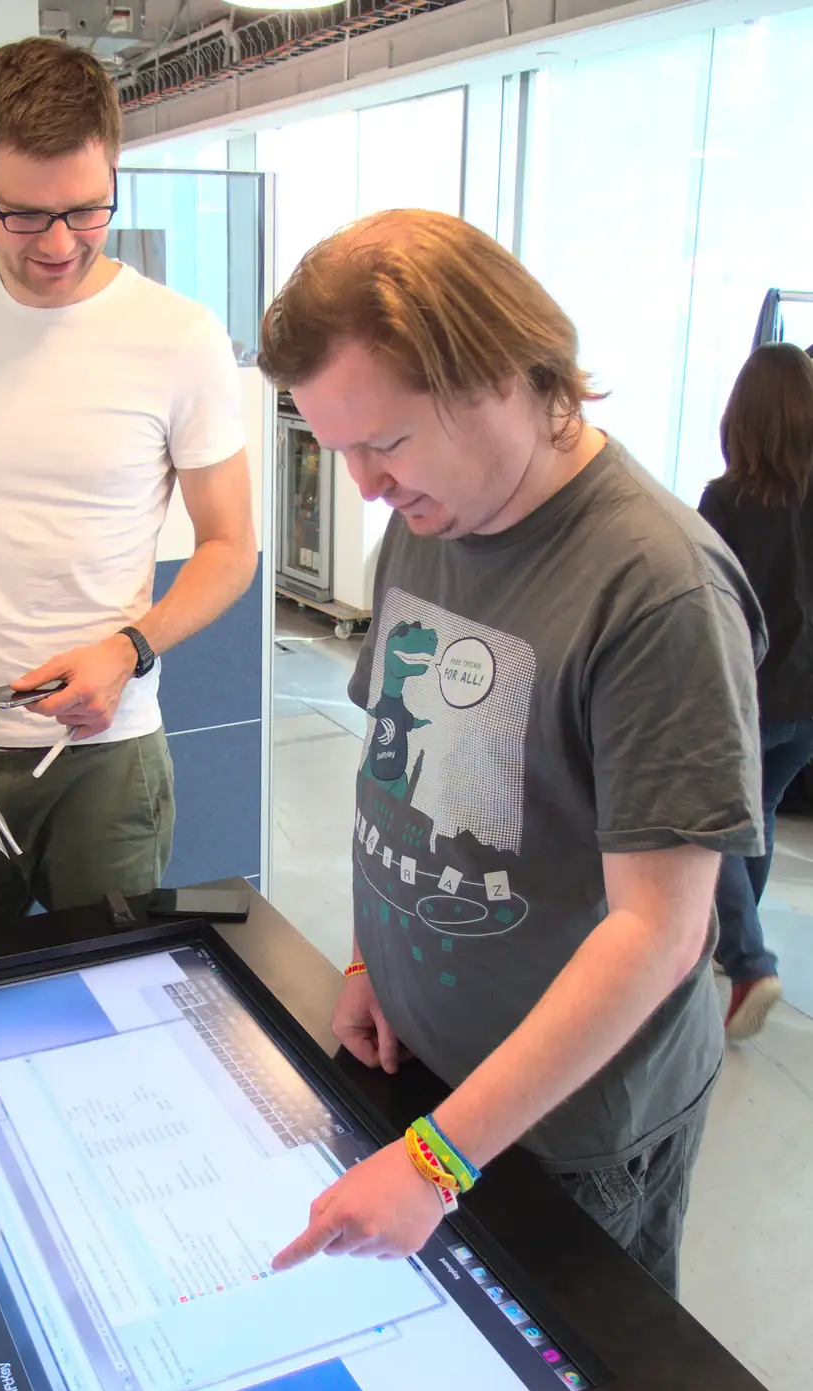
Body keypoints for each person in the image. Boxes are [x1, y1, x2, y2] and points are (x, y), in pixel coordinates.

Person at [257, 210, 765, 1296]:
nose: (363, 486)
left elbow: (658, 932)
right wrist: (365, 960)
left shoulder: (657, 587)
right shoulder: (430, 518)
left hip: (563, 1133)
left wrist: (440, 1163)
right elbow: (392, 773)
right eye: (338, 449)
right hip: (426, 1070)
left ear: (499, 372)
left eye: (383, 443)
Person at [0, 39, 256, 938]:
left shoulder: (178, 335)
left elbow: (230, 547)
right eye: (27, 215)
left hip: (105, 758)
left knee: (111, 999)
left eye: (87, 211)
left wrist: (129, 648)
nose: (58, 244)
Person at [698, 343, 813, 1038]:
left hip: (751, 695)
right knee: (757, 816)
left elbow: (703, 602)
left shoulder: (728, 499)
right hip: (806, 703)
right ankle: (737, 949)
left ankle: (746, 961)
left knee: (711, 826)